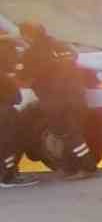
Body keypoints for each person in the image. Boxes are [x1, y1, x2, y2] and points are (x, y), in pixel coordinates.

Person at [19, 22, 96, 178]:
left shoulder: (31, 54)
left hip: (54, 99)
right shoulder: (63, 46)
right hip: (76, 96)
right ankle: (70, 168)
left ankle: (87, 166)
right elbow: (74, 62)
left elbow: (25, 78)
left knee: (68, 134)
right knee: (71, 132)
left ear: (26, 35)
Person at [0, 30, 35, 189]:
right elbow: (17, 98)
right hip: (5, 111)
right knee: (9, 144)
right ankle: (8, 177)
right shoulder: (5, 76)